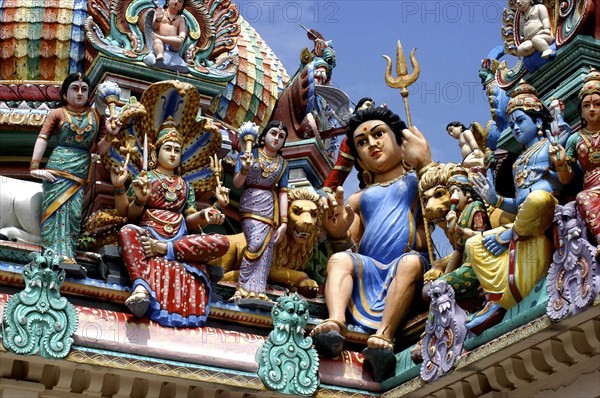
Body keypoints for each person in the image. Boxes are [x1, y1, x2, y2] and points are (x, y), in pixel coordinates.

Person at [310, 106, 432, 380]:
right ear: (360, 161)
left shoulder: (416, 182)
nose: (372, 144)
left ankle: (384, 336)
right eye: (361, 143)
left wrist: (424, 163)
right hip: (369, 268)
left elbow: (439, 206)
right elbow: (347, 244)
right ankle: (336, 322)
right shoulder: (360, 198)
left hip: (405, 265)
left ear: (401, 143)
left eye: (378, 134)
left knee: (411, 263)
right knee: (339, 260)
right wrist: (338, 233)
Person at [466, 81, 565, 333]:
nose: (515, 128)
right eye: (511, 124)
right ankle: (498, 300)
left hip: (544, 214)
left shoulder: (549, 145)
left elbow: (563, 180)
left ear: (538, 122)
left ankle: (510, 235)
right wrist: (494, 200)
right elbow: (518, 203)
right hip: (524, 222)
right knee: (473, 244)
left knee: (539, 198)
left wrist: (559, 164)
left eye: (520, 121)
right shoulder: (517, 162)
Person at [113, 118, 230, 327]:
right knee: (127, 231)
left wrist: (211, 212)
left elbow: (191, 220)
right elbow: (128, 214)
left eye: (177, 150)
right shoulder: (146, 177)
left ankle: (165, 249)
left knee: (222, 242)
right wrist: (132, 194)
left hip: (178, 241)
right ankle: (141, 287)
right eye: (168, 148)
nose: (173, 153)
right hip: (148, 235)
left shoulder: (185, 186)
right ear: (156, 152)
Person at [30, 73, 121, 268]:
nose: (80, 93)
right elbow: (42, 138)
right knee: (53, 213)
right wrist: (35, 167)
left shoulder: (96, 117)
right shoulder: (58, 114)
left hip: (79, 172)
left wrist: (111, 136)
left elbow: (100, 149)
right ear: (64, 94)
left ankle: (67, 256)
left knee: (73, 215)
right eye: (74, 88)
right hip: (56, 170)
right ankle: (50, 254)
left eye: (84, 89)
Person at [230, 121, 290, 301]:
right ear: (263, 136)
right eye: (273, 133)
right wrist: (245, 169)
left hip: (270, 209)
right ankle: (242, 288)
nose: (276, 139)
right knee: (254, 245)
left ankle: (259, 291)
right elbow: (237, 184)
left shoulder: (283, 164)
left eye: (281, 136)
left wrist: (284, 222)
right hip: (250, 203)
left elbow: (283, 193)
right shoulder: (249, 154)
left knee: (267, 250)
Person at [549, 68, 600, 253]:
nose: (592, 109)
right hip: (591, 188)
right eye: (586, 105)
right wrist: (560, 163)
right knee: (582, 197)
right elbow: (565, 180)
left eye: (597, 104)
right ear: (581, 111)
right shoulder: (574, 139)